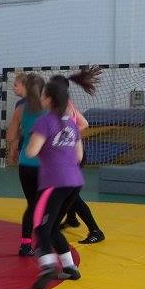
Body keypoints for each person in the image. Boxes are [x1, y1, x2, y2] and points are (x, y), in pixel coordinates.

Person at [24, 75, 86, 289]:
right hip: (74, 182)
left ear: (49, 99)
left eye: (43, 95)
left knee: (40, 226)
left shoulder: (45, 121)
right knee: (51, 227)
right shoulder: (71, 123)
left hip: (54, 182)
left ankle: (48, 266)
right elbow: (79, 156)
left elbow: (31, 151)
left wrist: (36, 146)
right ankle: (70, 268)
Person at [54, 70, 106, 245]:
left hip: (72, 156)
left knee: (72, 196)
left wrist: (67, 137)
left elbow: (80, 125)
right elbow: (83, 123)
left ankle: (95, 230)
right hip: (72, 155)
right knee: (70, 194)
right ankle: (71, 218)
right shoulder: (65, 104)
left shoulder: (65, 107)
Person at [6, 74, 46, 256]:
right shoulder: (49, 109)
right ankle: (43, 243)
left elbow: (10, 136)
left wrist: (18, 142)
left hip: (25, 164)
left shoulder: (20, 109)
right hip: (45, 165)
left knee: (32, 205)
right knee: (44, 206)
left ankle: (25, 244)